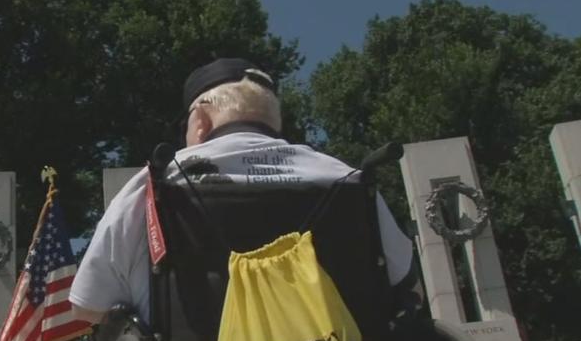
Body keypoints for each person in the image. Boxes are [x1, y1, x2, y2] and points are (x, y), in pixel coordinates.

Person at [70, 57, 414, 325]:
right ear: (272, 120)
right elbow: (403, 281)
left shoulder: (158, 183)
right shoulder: (348, 179)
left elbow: (88, 306)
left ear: (201, 121)